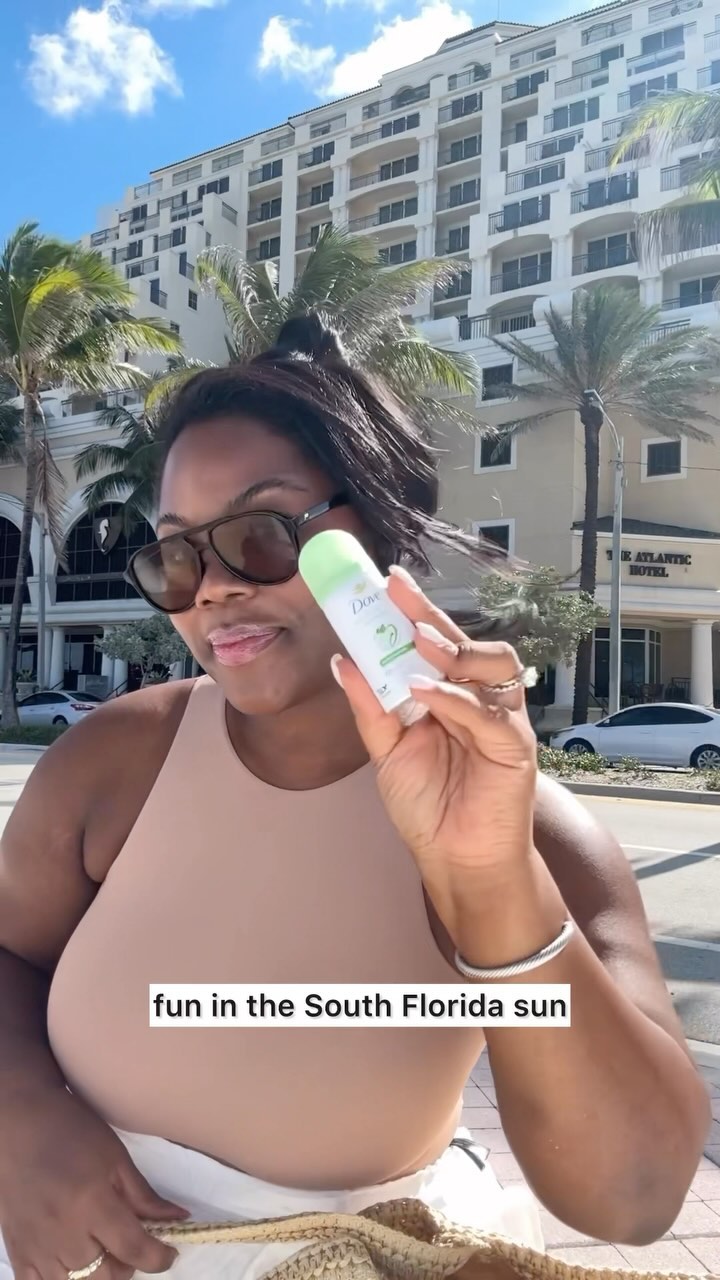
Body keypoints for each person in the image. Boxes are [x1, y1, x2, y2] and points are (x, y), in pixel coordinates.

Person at [0, 315, 710, 1280]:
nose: (210, 590)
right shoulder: (115, 760)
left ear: (380, 532)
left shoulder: (536, 833)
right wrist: (22, 1115)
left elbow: (633, 1199)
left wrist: (489, 877)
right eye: (175, 556)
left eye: (260, 535)